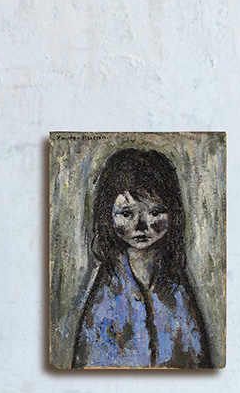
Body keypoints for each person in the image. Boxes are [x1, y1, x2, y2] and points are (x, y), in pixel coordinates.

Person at [71, 147, 214, 368]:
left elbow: (197, 360)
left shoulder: (176, 284)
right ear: (108, 214)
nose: (141, 227)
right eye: (127, 214)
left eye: (154, 213)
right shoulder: (107, 288)